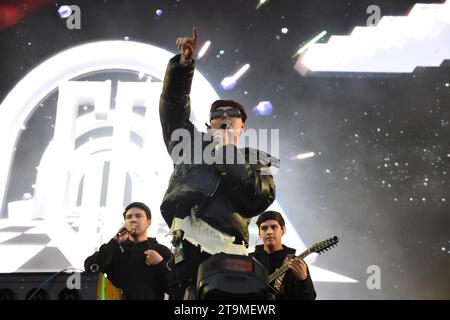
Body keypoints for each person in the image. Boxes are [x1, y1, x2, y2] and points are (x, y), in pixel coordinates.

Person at [159, 27, 276, 299]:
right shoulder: (188, 144)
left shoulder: (255, 158)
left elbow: (258, 197)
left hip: (229, 254)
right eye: (216, 113)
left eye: (231, 113)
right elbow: (172, 108)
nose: (223, 116)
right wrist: (183, 67)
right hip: (186, 248)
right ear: (208, 121)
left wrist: (225, 150)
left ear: (242, 126)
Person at [84, 202, 172, 300]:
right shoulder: (114, 249)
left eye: (138, 216)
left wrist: (160, 263)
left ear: (148, 222)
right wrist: (114, 242)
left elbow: (174, 288)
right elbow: (90, 271)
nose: (133, 220)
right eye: (129, 217)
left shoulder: (161, 251)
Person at [250, 211, 316, 300]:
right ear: (259, 233)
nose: (269, 232)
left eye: (274, 227)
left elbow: (309, 298)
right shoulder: (249, 260)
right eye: (264, 228)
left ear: (283, 230)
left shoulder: (296, 262)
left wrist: (303, 280)